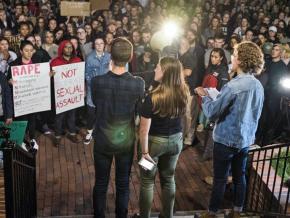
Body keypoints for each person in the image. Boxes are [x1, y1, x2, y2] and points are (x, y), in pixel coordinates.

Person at [196, 41, 264, 218]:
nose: (231, 58)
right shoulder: (258, 86)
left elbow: (212, 113)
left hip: (225, 141)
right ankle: (237, 212)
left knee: (220, 179)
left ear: (241, 60)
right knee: (240, 176)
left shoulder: (232, 86)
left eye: (234, 55)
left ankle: (212, 213)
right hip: (245, 141)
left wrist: (204, 97)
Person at [91, 37, 144, 218]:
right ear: (130, 58)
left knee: (100, 183)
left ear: (110, 57)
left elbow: (96, 105)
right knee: (122, 183)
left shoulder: (97, 81)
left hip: (103, 139)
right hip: (125, 140)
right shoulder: (138, 83)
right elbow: (138, 112)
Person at [138, 57, 189, 218]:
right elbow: (186, 118)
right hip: (175, 140)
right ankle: (168, 215)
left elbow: (143, 131)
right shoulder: (183, 91)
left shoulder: (153, 97)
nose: (155, 69)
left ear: (165, 72)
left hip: (154, 143)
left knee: (147, 182)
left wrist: (144, 153)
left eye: (158, 67)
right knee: (168, 179)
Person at [50, 40, 82, 147]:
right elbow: (49, 79)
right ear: (62, 49)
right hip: (61, 95)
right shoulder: (54, 62)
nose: (69, 49)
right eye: (66, 47)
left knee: (72, 116)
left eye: (70, 47)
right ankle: (58, 136)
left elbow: (81, 78)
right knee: (59, 117)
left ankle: (72, 134)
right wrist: (50, 75)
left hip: (73, 94)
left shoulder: (78, 60)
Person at [84, 36, 111, 145]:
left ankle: (101, 133)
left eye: (101, 43)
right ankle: (89, 132)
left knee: (104, 113)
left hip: (106, 91)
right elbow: (87, 74)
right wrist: (93, 84)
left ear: (104, 44)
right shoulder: (90, 57)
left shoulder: (109, 57)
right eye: (97, 43)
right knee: (91, 113)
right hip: (93, 90)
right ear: (94, 46)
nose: (99, 45)